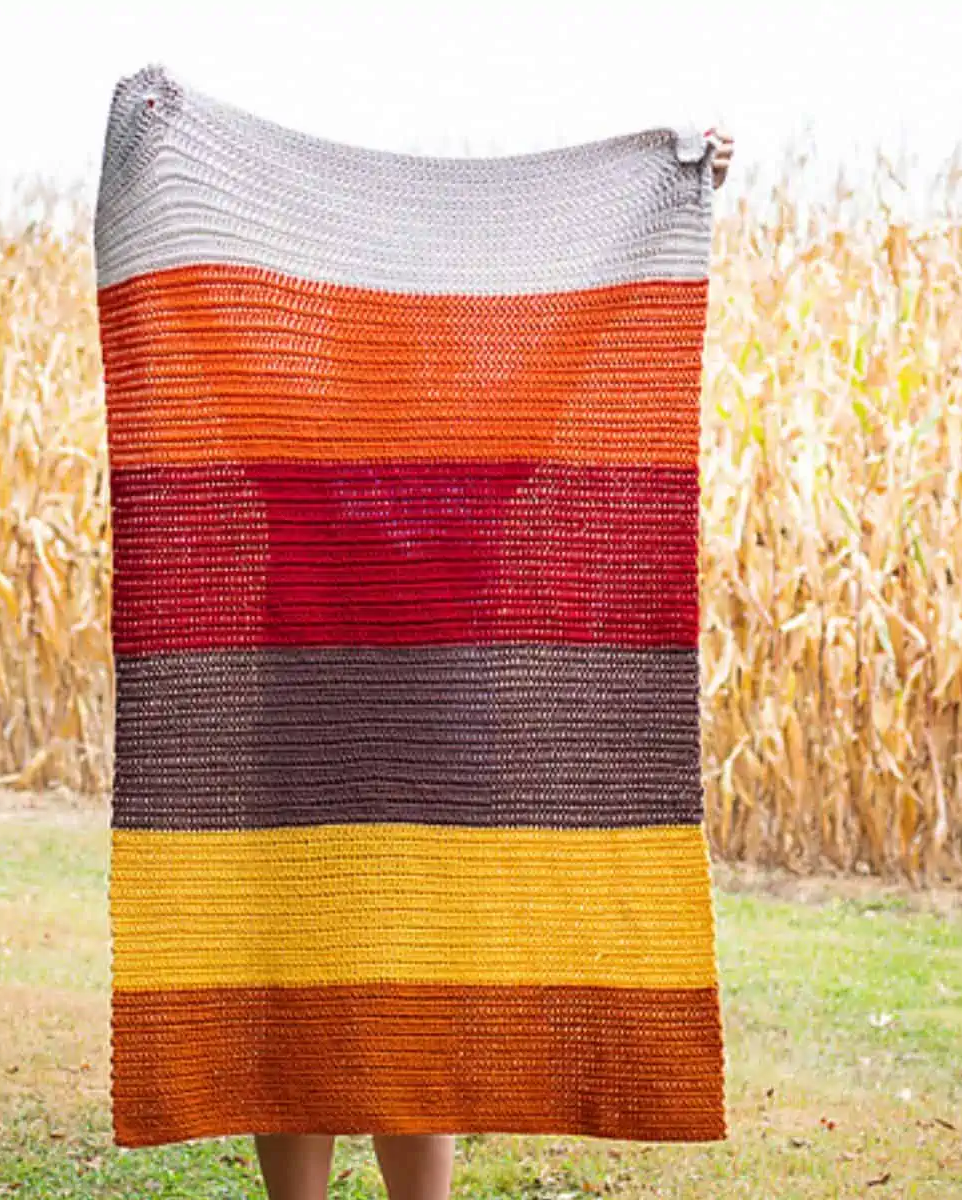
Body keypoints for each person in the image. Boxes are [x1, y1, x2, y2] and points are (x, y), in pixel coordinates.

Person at [251, 126, 735, 1200]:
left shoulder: (480, 433)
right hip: (316, 748)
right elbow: (221, 316)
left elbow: (586, 335)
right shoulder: (292, 419)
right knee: (306, 997)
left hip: (427, 755)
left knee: (411, 1002)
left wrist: (672, 190)